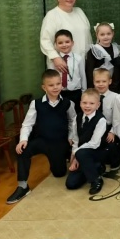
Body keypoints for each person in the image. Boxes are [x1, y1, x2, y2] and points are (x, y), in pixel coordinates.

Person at [6, 70, 76, 204]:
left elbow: (73, 121)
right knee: (23, 150)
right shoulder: (36, 104)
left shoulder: (68, 103)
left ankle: (60, 160)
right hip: (42, 141)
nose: (55, 87)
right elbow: (27, 124)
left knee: (59, 173)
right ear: (44, 87)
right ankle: (22, 186)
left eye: (58, 84)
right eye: (51, 85)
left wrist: (71, 136)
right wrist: (23, 140)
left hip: (59, 142)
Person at [40, 0, 92, 73]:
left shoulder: (79, 12)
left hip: (82, 63)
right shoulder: (52, 15)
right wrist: (55, 58)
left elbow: (88, 37)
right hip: (62, 64)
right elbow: (45, 40)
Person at [65, 88, 107, 195]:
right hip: (81, 153)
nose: (87, 106)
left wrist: (76, 155)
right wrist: (75, 156)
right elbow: (75, 139)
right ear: (80, 103)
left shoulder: (101, 120)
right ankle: (94, 168)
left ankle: (96, 179)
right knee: (71, 184)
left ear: (98, 105)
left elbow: (94, 143)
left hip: (97, 152)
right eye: (84, 103)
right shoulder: (77, 118)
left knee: (81, 153)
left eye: (91, 103)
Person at [48, 29, 86, 114]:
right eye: (60, 43)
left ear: (72, 43)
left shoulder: (78, 58)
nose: (64, 45)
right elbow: (50, 78)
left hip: (76, 92)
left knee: (77, 114)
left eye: (67, 42)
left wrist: (84, 92)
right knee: (62, 114)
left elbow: (83, 76)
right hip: (60, 93)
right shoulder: (53, 60)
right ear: (56, 45)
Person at [93, 68, 120, 170]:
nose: (100, 84)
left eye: (104, 81)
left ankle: (115, 160)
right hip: (94, 127)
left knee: (111, 143)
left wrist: (112, 132)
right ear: (93, 82)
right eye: (97, 81)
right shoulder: (91, 96)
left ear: (110, 81)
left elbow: (117, 118)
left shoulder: (116, 97)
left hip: (110, 127)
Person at [85, 22, 120, 91]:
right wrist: (91, 88)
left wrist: (115, 85)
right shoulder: (94, 50)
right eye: (102, 34)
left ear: (113, 34)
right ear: (97, 35)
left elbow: (117, 70)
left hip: (113, 86)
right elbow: (89, 71)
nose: (106, 37)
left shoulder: (116, 49)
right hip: (98, 86)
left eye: (108, 34)